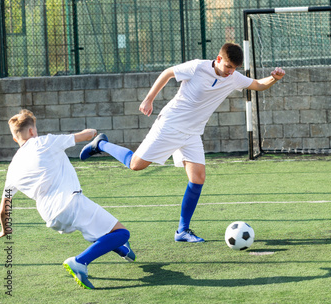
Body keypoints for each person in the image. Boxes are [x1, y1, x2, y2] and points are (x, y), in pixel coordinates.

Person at [80, 43, 285, 242]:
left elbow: (258, 84)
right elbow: (168, 73)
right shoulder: (197, 67)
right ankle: (101, 145)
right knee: (136, 165)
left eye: (235, 69)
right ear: (219, 59)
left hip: (192, 133)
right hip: (170, 126)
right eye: (228, 67)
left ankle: (182, 231)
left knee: (198, 178)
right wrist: (149, 99)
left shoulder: (233, 77)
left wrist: (273, 78)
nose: (231, 72)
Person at [0, 109, 136, 289]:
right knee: (122, 233)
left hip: (51, 217)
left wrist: (5, 229)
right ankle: (79, 262)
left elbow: (4, 209)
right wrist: (94, 133)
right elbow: (83, 136)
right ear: (32, 131)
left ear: (15, 138)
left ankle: (122, 249)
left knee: (96, 229)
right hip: (70, 203)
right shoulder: (44, 142)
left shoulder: (13, 168)